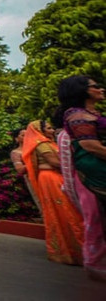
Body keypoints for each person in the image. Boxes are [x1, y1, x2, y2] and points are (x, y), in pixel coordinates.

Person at [54, 75, 106, 281]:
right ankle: (95, 262)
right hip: (92, 173)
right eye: (95, 86)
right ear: (82, 91)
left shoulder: (90, 113)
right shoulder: (76, 115)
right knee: (95, 217)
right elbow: (89, 146)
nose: (101, 89)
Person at [22, 119, 84, 265]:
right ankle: (68, 251)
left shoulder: (50, 142)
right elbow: (54, 162)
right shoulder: (42, 145)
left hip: (58, 177)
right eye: (48, 128)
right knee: (64, 210)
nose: (51, 130)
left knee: (70, 209)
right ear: (40, 131)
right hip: (50, 179)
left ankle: (76, 250)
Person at [10, 127, 42, 214]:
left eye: (28, 135)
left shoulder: (38, 148)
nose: (26, 137)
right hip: (33, 178)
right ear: (17, 138)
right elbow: (20, 169)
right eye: (23, 135)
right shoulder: (16, 153)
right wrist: (33, 161)